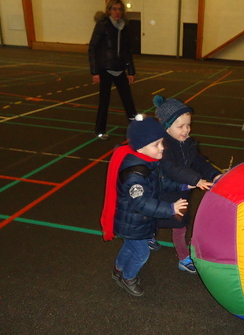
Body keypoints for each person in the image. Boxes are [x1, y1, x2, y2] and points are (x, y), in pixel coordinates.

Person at [100, 115, 190, 296]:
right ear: (141, 147)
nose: (162, 148)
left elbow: (160, 183)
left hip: (136, 222)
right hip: (133, 222)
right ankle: (128, 278)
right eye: (156, 145)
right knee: (141, 253)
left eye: (161, 143)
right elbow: (141, 203)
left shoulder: (147, 163)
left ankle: (118, 269)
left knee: (129, 247)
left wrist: (183, 185)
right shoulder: (135, 175)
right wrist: (170, 209)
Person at [153, 95, 223, 273]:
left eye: (188, 125)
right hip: (164, 191)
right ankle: (184, 258)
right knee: (169, 222)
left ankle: (150, 235)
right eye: (180, 126)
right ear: (167, 128)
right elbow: (171, 168)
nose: (186, 130)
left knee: (178, 223)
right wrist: (196, 180)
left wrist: (214, 175)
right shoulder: (164, 147)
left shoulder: (188, 143)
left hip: (181, 192)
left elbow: (199, 161)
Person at [88, 0, 137, 140]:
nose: (117, 12)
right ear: (109, 10)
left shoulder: (124, 27)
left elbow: (127, 51)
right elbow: (92, 48)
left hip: (120, 70)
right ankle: (100, 130)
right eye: (114, 9)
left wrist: (131, 71)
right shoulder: (102, 26)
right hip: (105, 70)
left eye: (119, 9)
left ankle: (137, 130)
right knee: (104, 102)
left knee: (129, 102)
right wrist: (95, 71)